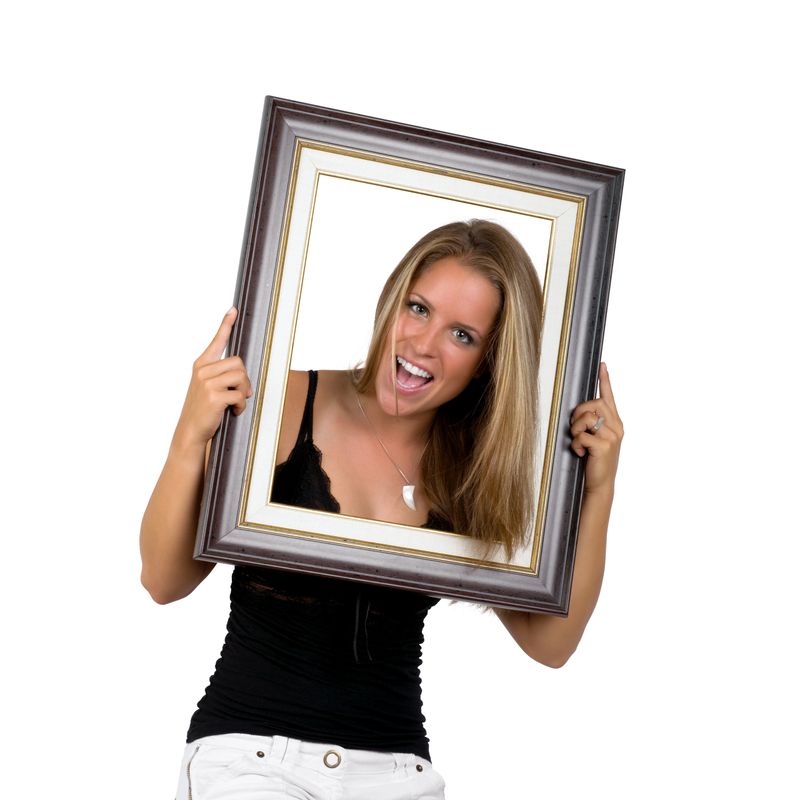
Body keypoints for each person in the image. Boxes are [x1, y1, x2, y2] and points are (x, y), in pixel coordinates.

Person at [140, 220, 623, 800]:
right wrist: (190, 436)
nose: (422, 344)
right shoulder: (282, 401)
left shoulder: (478, 468)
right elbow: (164, 581)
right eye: (418, 309)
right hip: (254, 759)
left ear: (491, 359)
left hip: (399, 774)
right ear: (392, 298)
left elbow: (552, 645)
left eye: (462, 335)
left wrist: (597, 493)